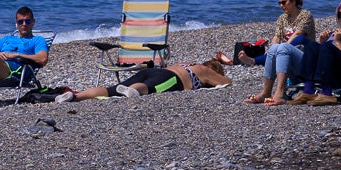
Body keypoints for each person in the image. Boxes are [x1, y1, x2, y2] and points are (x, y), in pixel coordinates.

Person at [247, 0, 341, 104]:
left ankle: (279, 93)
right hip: (314, 71)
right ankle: (266, 92)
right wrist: (322, 42)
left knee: (285, 47)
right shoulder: (334, 33)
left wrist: (337, 42)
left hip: (338, 74)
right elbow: (322, 55)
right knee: (274, 48)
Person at [239, 0, 316, 101]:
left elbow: (298, 34)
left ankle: (255, 61)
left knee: (291, 43)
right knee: (277, 47)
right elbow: (277, 37)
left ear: (293, 1)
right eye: (279, 3)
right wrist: (272, 49)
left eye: (284, 2)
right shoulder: (282, 18)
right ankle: (266, 92)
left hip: (305, 60)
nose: (281, 5)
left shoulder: (305, 15)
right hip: (286, 58)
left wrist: (282, 47)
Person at [55, 59, 232, 102]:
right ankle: (134, 91)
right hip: (171, 79)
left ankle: (75, 96)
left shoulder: (184, 64)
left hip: (156, 70)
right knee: (149, 88)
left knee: (111, 89)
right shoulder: (204, 70)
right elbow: (227, 82)